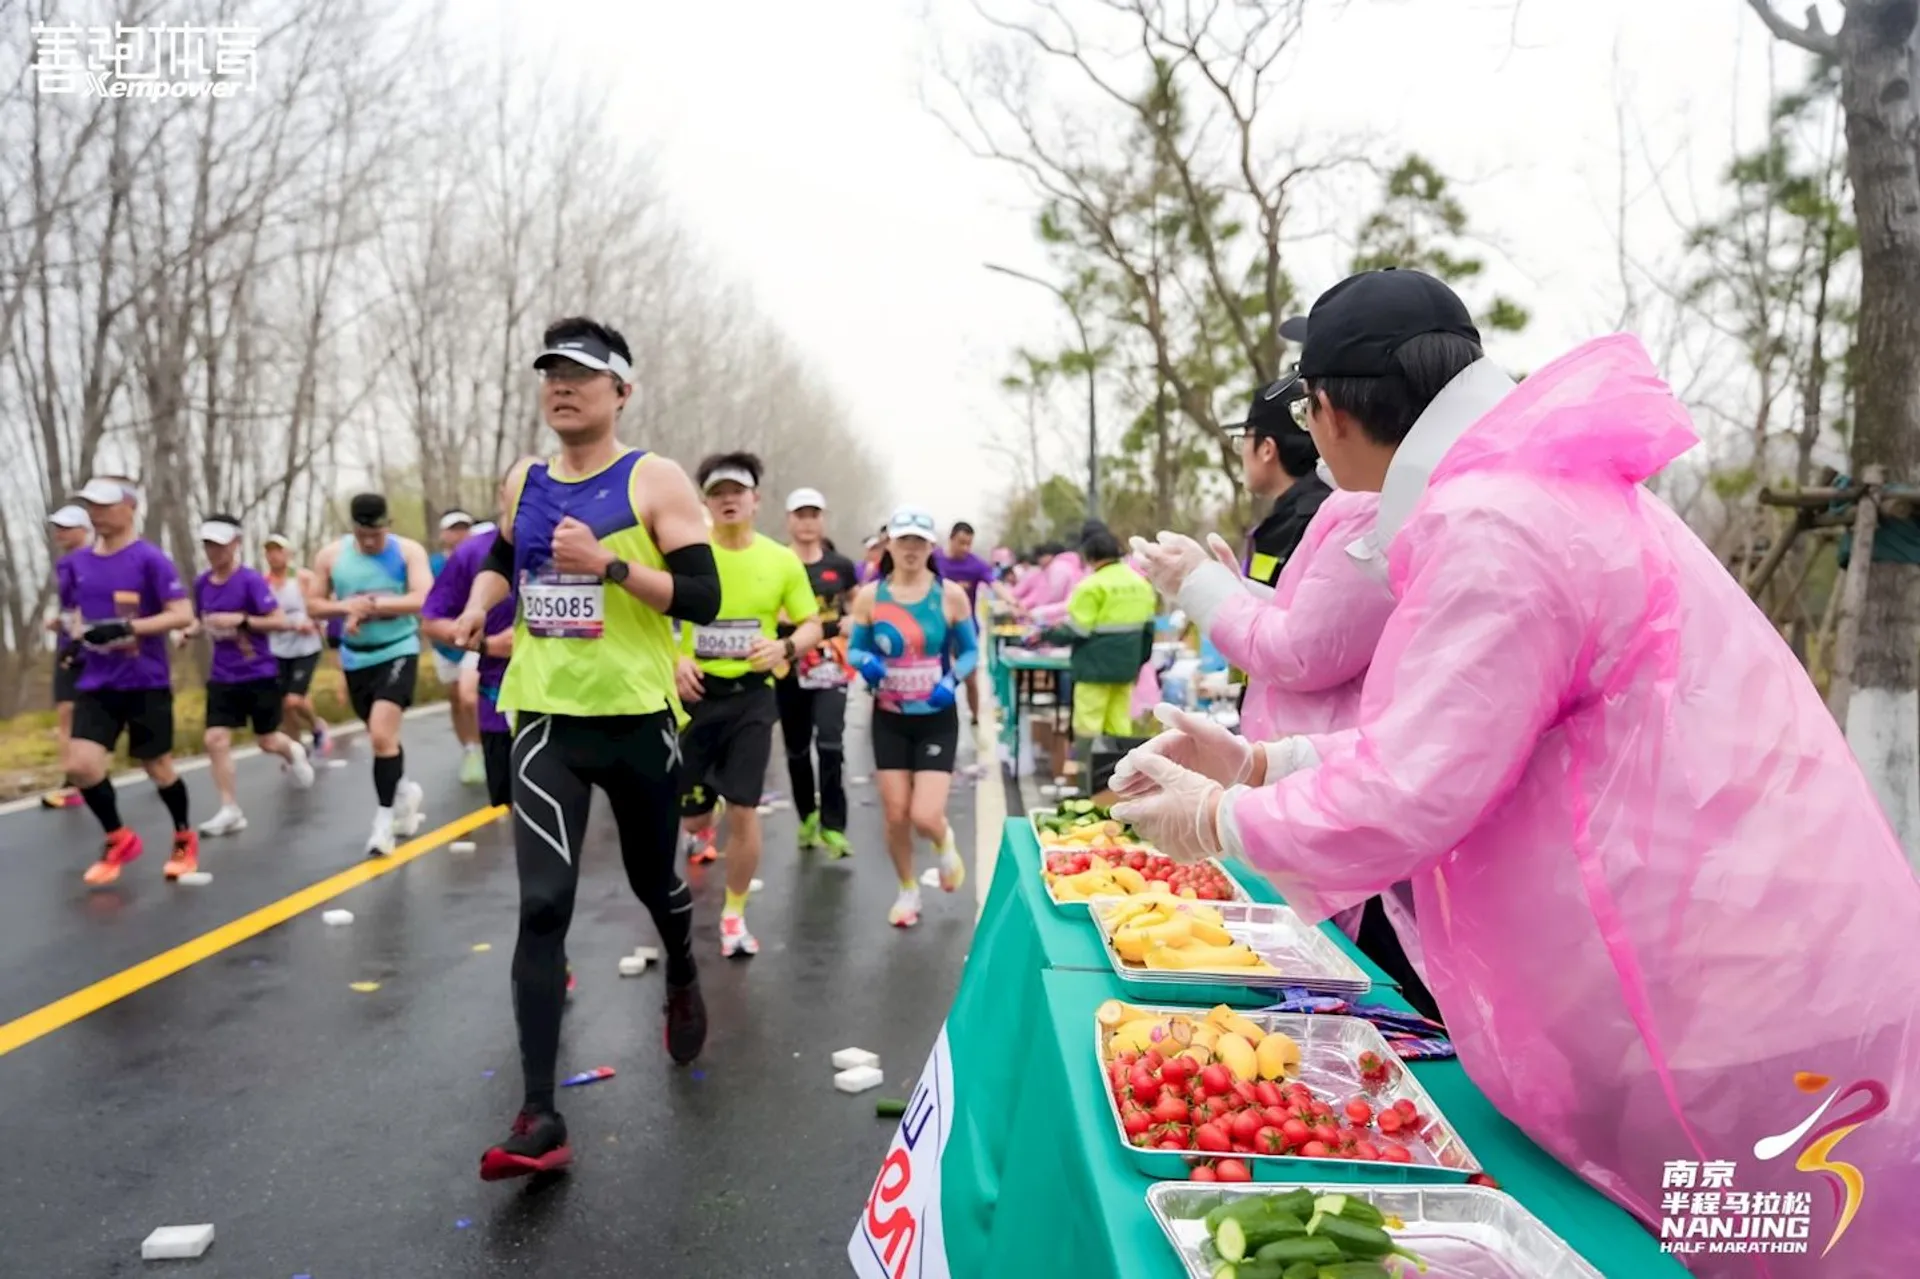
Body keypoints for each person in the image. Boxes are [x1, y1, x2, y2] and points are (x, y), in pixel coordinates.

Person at [1111, 267, 1920, 1274]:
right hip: (1736, 944)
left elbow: (1414, 787)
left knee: (1755, 1242)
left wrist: (1219, 817)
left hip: (1707, 983)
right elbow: (1460, 735)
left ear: (1330, 411)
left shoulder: (1493, 523)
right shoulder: (1524, 488)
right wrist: (1267, 760)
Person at [453, 315, 719, 1178]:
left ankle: (681, 966)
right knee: (542, 904)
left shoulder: (655, 479)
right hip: (545, 717)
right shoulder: (523, 478)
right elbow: (506, 551)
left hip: (638, 720)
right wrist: (480, 602)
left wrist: (608, 565)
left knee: (656, 881)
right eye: (549, 373)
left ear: (620, 391)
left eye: (579, 373)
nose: (560, 386)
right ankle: (539, 1115)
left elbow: (703, 598)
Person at [676, 453, 823, 957]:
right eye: (717, 493)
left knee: (745, 807)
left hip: (752, 699)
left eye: (737, 491)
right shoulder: (685, 554)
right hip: (694, 699)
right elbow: (652, 617)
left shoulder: (780, 560)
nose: (728, 500)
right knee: (693, 820)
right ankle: (701, 814)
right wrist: (675, 660)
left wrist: (784, 648)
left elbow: (811, 624)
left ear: (756, 500)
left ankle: (734, 914)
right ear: (705, 502)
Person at [58, 478, 198, 885]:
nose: (96, 513)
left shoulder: (150, 559)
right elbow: (75, 613)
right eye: (90, 505)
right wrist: (77, 637)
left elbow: (182, 613)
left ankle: (183, 837)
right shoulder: (79, 562)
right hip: (97, 683)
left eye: (104, 505)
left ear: (130, 507)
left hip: (145, 681)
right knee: (80, 766)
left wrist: (128, 628)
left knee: (157, 766)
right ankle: (119, 837)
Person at [847, 507, 978, 927]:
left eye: (918, 542)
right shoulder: (871, 596)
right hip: (889, 717)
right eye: (903, 540)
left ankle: (944, 845)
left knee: (924, 814)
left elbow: (972, 651)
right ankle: (907, 890)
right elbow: (853, 648)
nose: (910, 549)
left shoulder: (950, 595)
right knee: (895, 814)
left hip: (936, 716)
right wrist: (865, 660)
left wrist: (953, 678)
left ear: (930, 547)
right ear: (889, 544)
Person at [309, 493, 431, 856]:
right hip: (357, 658)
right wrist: (346, 605)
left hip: (398, 650)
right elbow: (314, 604)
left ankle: (384, 822)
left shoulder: (407, 552)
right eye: (363, 536)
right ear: (353, 530)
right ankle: (404, 789)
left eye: (376, 536)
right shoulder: (332, 557)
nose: (369, 543)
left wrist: (374, 606)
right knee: (383, 738)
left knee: (380, 734)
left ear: (387, 526)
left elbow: (425, 598)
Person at [191, 515, 316, 835]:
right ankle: (229, 809)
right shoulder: (202, 583)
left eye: (219, 545)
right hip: (222, 675)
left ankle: (293, 750)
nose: (213, 551)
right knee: (215, 739)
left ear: (235, 544)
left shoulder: (250, 581)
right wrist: (186, 633)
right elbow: (199, 620)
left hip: (258, 671)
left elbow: (277, 620)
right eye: (208, 544)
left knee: (267, 740)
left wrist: (242, 620)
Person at [423, 477, 526, 810]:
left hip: (563, 703)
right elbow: (433, 620)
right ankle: (472, 749)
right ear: (502, 496)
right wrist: (486, 646)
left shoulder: (572, 544)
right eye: (520, 488)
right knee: (511, 806)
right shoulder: (473, 551)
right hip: (497, 700)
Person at [776, 486, 859, 859]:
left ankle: (834, 825)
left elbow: (857, 610)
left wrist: (852, 623)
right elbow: (775, 615)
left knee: (830, 742)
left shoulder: (840, 565)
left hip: (830, 668)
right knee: (796, 749)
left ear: (822, 520)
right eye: (801, 515)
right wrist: (826, 628)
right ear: (789, 520)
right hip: (789, 667)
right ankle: (807, 815)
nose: (808, 523)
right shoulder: (776, 562)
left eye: (814, 515)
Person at [1038, 528, 1156, 783]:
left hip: (1093, 669)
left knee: (1088, 727)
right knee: (1119, 726)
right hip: (1125, 669)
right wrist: (1138, 664)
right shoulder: (1140, 584)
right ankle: (1121, 786)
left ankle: (1087, 786)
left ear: (1090, 557)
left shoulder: (1090, 586)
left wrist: (1046, 634)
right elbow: (1148, 631)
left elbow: (1077, 628)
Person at [1233, 370, 1333, 588]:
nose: (1241, 453)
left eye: (1243, 440)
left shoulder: (1309, 521)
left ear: (1267, 449)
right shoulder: (1295, 516)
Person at [41, 505, 93, 809]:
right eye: (57, 527)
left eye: (67, 527)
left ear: (84, 530)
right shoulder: (63, 565)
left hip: (94, 647)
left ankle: (151, 759)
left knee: (104, 713)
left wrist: (77, 632)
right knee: (66, 713)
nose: (60, 532)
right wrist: (58, 620)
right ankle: (73, 781)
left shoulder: (95, 560)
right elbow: (69, 606)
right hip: (68, 646)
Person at [432, 510, 487, 786]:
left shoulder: (478, 556)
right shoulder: (433, 564)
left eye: (464, 527)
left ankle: (481, 744)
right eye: (453, 528)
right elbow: (429, 606)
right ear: (444, 534)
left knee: (469, 696)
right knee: (455, 697)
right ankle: (469, 748)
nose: (459, 533)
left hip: (474, 637)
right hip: (444, 641)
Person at [263, 533, 329, 758]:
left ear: (288, 553)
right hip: (278, 648)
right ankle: (296, 750)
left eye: (278, 550)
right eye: (269, 551)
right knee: (283, 705)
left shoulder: (302, 578)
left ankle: (316, 725)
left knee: (293, 700)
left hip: (305, 647)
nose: (274, 555)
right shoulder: (263, 583)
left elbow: (322, 602)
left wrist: (316, 623)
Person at [932, 520, 997, 724]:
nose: (965, 548)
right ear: (951, 539)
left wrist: (1014, 601)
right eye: (961, 543)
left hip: (964, 627)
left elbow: (995, 584)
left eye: (969, 543)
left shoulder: (975, 564)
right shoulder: (934, 560)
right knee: (938, 672)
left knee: (970, 677)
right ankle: (938, 715)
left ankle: (975, 716)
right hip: (937, 626)